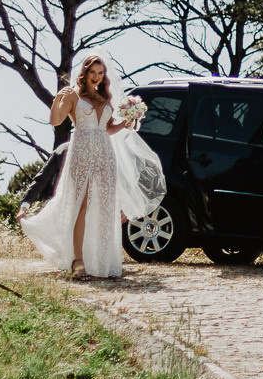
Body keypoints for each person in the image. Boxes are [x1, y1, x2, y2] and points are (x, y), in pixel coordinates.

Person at [20, 51, 166, 278]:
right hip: (81, 151)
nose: (97, 77)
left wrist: (126, 122)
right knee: (82, 202)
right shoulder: (73, 96)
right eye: (93, 72)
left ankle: (103, 261)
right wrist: (59, 99)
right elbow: (55, 121)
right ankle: (78, 261)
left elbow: (107, 129)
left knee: (106, 205)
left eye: (100, 73)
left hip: (104, 153)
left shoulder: (104, 98)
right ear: (84, 73)